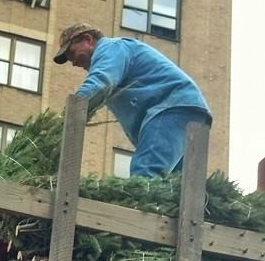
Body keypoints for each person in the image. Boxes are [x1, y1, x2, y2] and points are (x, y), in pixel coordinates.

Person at [52, 23, 212, 177]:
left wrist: (67, 116)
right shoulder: (117, 54)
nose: (73, 62)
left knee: (145, 172)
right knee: (175, 186)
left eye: (72, 53)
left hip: (171, 108)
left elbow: (100, 82)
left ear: (88, 40)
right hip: (185, 111)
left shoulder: (111, 49)